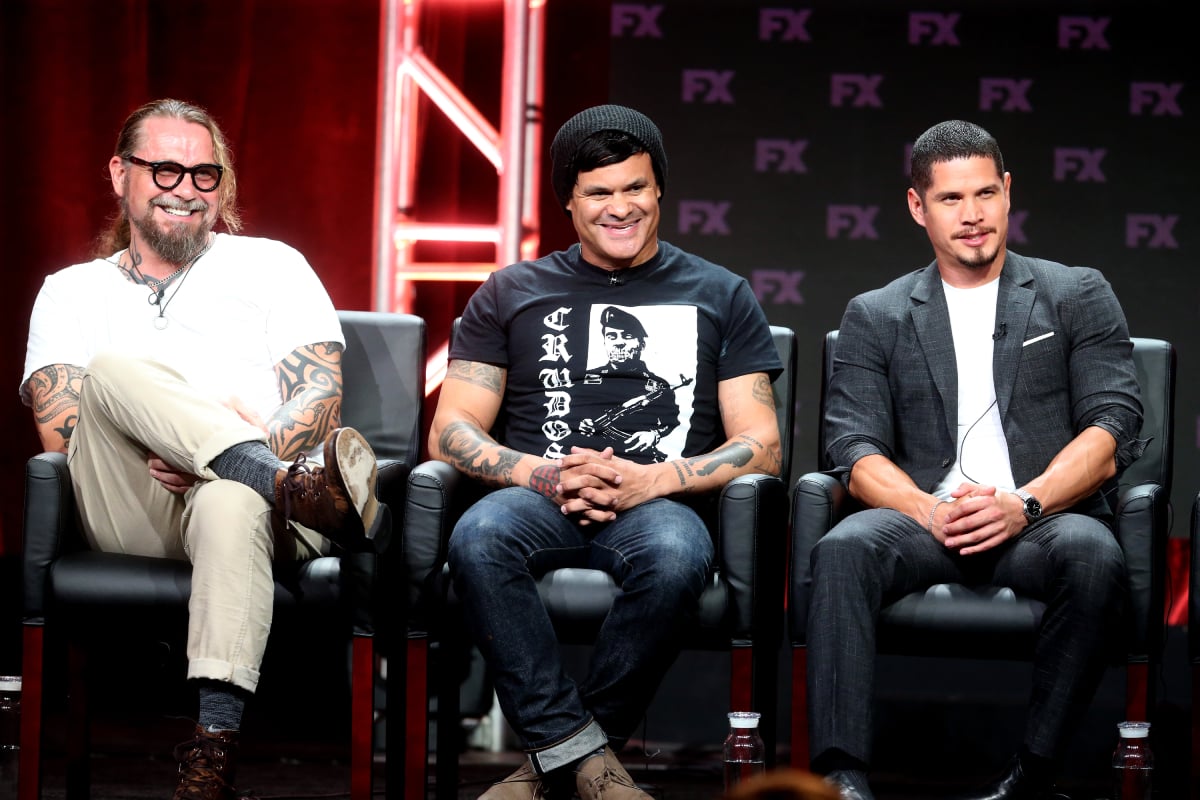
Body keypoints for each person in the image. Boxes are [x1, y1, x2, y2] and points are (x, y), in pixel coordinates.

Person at [20, 98, 386, 800]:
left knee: (228, 499)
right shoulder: (70, 292)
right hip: (129, 501)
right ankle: (275, 477)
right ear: (119, 174)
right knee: (117, 369)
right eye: (165, 169)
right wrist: (217, 445)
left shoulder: (272, 266)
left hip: (249, 510)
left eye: (204, 174)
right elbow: (63, 432)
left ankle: (210, 754)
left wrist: (216, 463)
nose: (186, 188)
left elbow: (320, 396)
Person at [428, 104, 784, 800]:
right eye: (599, 192)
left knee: (679, 557)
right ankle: (591, 767)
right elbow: (451, 430)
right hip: (536, 493)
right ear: (569, 201)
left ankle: (550, 767)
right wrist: (542, 471)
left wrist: (651, 481)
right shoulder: (510, 290)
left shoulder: (721, 293)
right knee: (477, 537)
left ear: (660, 192)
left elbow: (763, 444)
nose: (620, 207)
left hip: (658, 501)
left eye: (636, 188)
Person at [805, 119, 1145, 800]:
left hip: (1041, 516)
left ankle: (1034, 773)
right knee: (842, 550)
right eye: (952, 200)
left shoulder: (1074, 292)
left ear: (1008, 192)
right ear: (917, 206)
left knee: (1095, 554)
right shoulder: (877, 313)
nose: (972, 216)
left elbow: (1114, 426)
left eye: (985, 193)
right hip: (925, 517)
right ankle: (840, 779)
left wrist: (1025, 505)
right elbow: (852, 447)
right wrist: (926, 509)